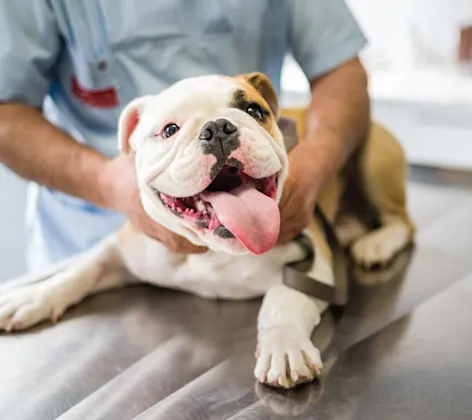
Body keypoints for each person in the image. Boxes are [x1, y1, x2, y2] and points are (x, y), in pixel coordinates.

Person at [0, 0, 369, 272]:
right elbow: (6, 112)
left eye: (252, 109)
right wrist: (107, 182)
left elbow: (339, 68)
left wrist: (316, 162)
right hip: (90, 242)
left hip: (263, 239)